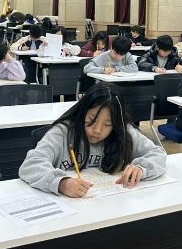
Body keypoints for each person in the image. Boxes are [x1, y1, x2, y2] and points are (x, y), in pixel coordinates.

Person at [19, 83, 166, 197]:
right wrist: (61, 183)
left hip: (109, 205)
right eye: (91, 120)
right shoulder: (63, 133)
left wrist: (141, 168)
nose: (97, 130)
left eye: (107, 124)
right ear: (82, 113)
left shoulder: (123, 132)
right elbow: (31, 164)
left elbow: (158, 153)